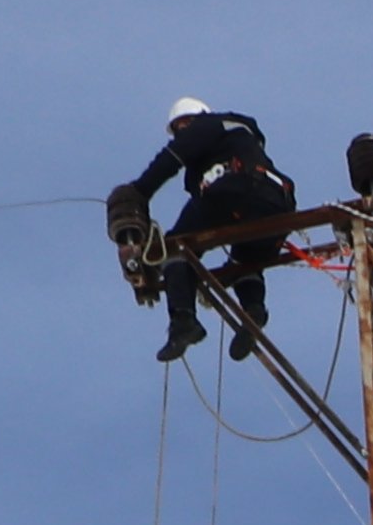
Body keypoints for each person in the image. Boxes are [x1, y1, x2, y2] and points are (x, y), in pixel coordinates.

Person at [105, 101, 302, 362]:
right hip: (277, 201)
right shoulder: (239, 136)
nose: (182, 131)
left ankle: (183, 322)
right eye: (177, 128)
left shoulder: (210, 125)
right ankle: (253, 311)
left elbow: (173, 158)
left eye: (184, 124)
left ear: (198, 118)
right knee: (247, 259)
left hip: (234, 190)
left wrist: (138, 191)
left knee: (175, 247)